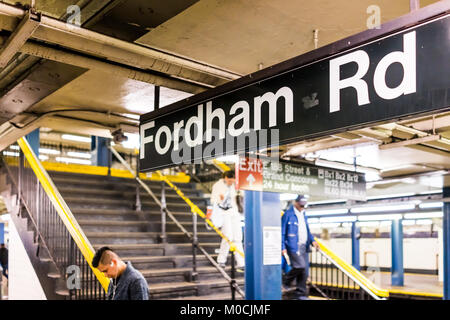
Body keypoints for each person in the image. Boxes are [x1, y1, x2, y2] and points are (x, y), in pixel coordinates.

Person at [281, 195, 319, 300]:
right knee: (299, 266)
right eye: (301, 205)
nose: (302, 207)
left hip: (304, 247)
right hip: (292, 246)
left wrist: (313, 240)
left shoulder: (303, 214)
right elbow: (282, 232)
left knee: (304, 272)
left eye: (304, 205)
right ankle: (285, 281)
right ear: (296, 203)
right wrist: (282, 246)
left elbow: (307, 230)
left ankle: (300, 293)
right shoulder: (288, 214)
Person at [210, 170, 245, 271]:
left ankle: (241, 263)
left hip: (234, 212)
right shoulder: (218, 185)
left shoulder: (235, 185)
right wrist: (219, 198)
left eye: (233, 181)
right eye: (229, 181)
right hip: (223, 212)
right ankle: (221, 260)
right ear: (225, 178)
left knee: (238, 237)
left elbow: (242, 195)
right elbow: (213, 200)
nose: (231, 183)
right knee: (228, 236)